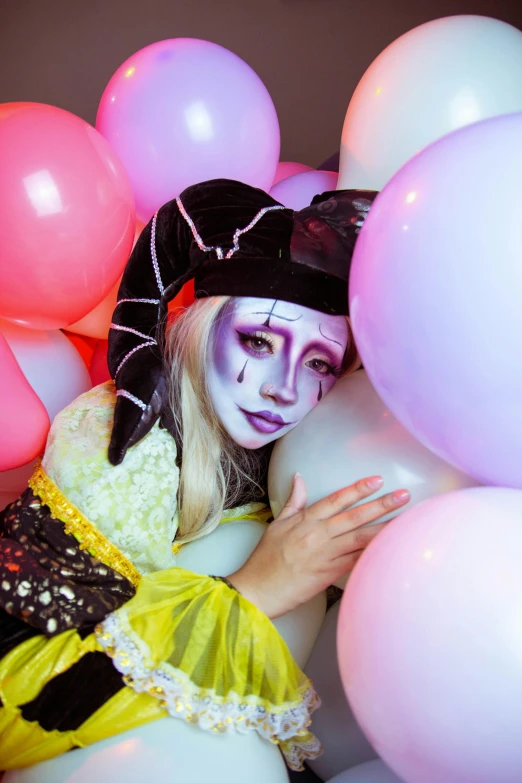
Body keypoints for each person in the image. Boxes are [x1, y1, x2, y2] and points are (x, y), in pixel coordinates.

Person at [0, 180, 410, 779]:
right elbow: (15, 700)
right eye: (259, 339)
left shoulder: (308, 450)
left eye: (319, 362)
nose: (284, 388)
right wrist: (252, 592)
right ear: (201, 325)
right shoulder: (120, 448)